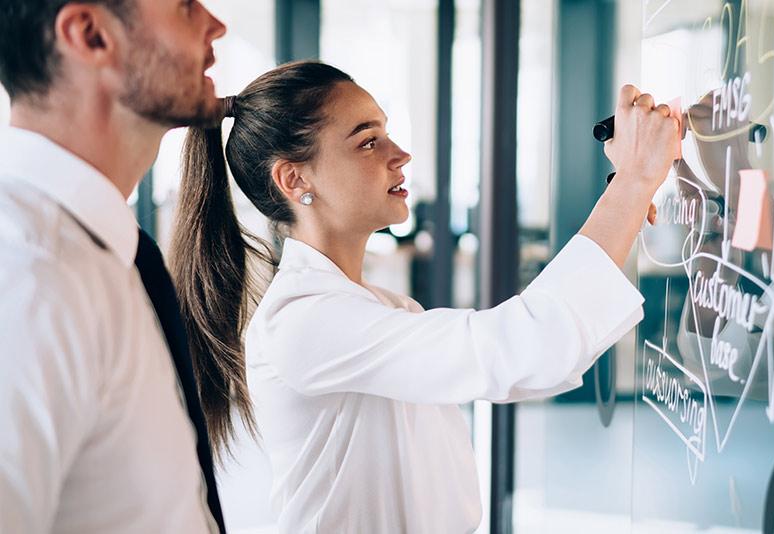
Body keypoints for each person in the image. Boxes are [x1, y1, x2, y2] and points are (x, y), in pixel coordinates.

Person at [169, 61, 680, 533]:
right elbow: (523, 346)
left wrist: (627, 206)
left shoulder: (383, 308)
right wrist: (631, 185)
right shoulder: (305, 321)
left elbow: (528, 362)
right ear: (294, 178)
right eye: (368, 142)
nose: (400, 155)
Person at [0, 1, 229, 532]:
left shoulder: (102, 254)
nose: (215, 24)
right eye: (185, 7)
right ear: (90, 35)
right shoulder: (28, 270)